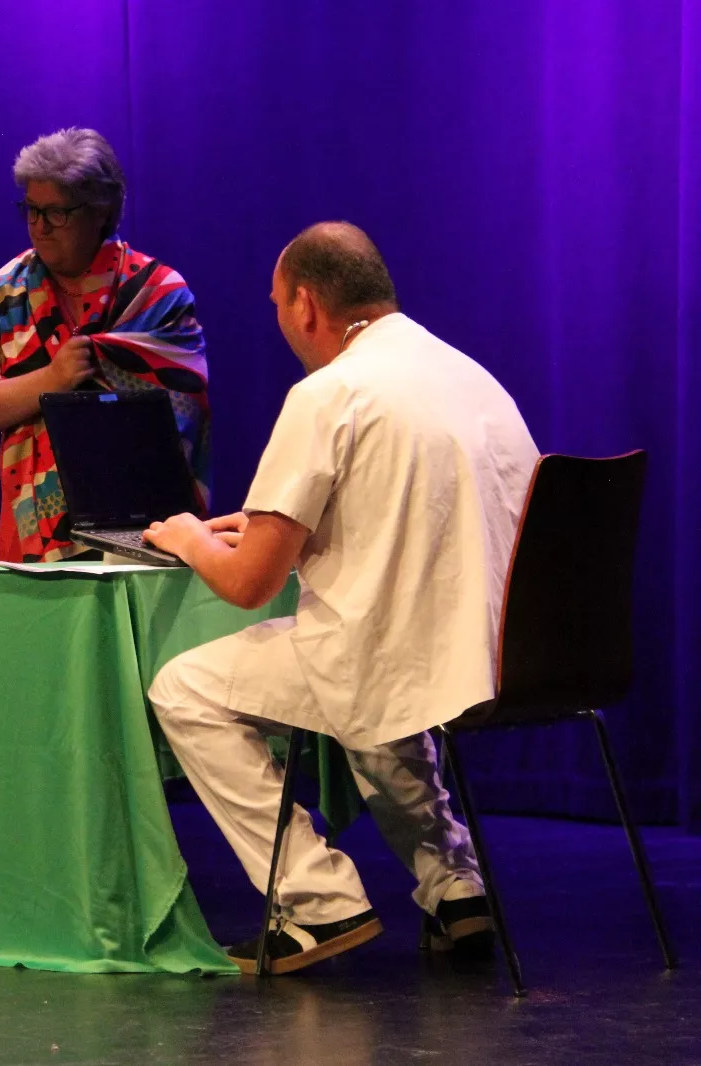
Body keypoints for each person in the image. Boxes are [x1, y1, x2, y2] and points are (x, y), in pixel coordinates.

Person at [142, 222, 539, 974]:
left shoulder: (330, 392)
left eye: (276, 304)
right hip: (497, 654)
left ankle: (319, 902)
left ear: (304, 304)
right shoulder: (471, 377)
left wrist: (192, 536)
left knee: (184, 688)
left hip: (394, 656)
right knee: (371, 684)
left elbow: (247, 584)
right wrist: (272, 526)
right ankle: (455, 887)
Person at [0, 127, 210, 563]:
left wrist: (107, 373)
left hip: (146, 526)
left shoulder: (156, 293)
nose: (39, 226)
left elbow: (184, 406)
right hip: (36, 535)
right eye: (31, 210)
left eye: (56, 213)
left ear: (100, 211)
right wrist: (53, 378)